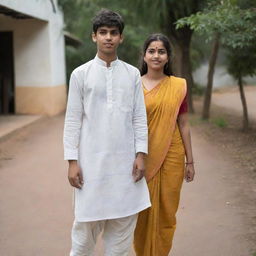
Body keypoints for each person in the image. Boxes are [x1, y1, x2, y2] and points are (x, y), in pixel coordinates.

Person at [63, 9, 151, 256]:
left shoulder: (132, 74)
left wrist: (141, 154)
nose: (108, 38)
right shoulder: (80, 74)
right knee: (82, 241)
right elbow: (72, 120)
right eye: (103, 33)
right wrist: (72, 161)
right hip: (91, 166)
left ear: (121, 38)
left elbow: (138, 117)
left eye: (113, 33)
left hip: (125, 168)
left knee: (121, 244)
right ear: (94, 37)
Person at [133, 33, 195, 256]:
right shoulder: (132, 84)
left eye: (161, 51)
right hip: (140, 156)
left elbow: (184, 124)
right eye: (152, 51)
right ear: (144, 55)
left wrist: (190, 160)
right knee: (140, 210)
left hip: (172, 154)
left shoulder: (178, 86)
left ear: (168, 57)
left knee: (168, 211)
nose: (156, 55)